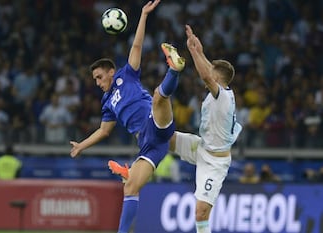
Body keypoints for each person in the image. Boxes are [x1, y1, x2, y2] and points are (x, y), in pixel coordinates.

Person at [69, 1, 185, 232]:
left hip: (154, 123)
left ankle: (174, 69)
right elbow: (104, 131)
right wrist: (82, 145)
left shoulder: (126, 76)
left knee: (158, 98)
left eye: (100, 77)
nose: (98, 83)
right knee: (130, 188)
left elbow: (137, 46)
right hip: (148, 144)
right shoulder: (106, 103)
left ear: (111, 72)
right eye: (95, 80)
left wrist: (143, 15)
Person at [169, 24, 243, 233]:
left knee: (200, 212)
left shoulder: (222, 98)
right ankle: (137, 174)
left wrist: (192, 52)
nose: (208, 70)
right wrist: (199, 50)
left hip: (215, 162)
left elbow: (207, 76)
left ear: (217, 79)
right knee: (163, 136)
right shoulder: (223, 90)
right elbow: (211, 72)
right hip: (201, 147)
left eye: (212, 73)